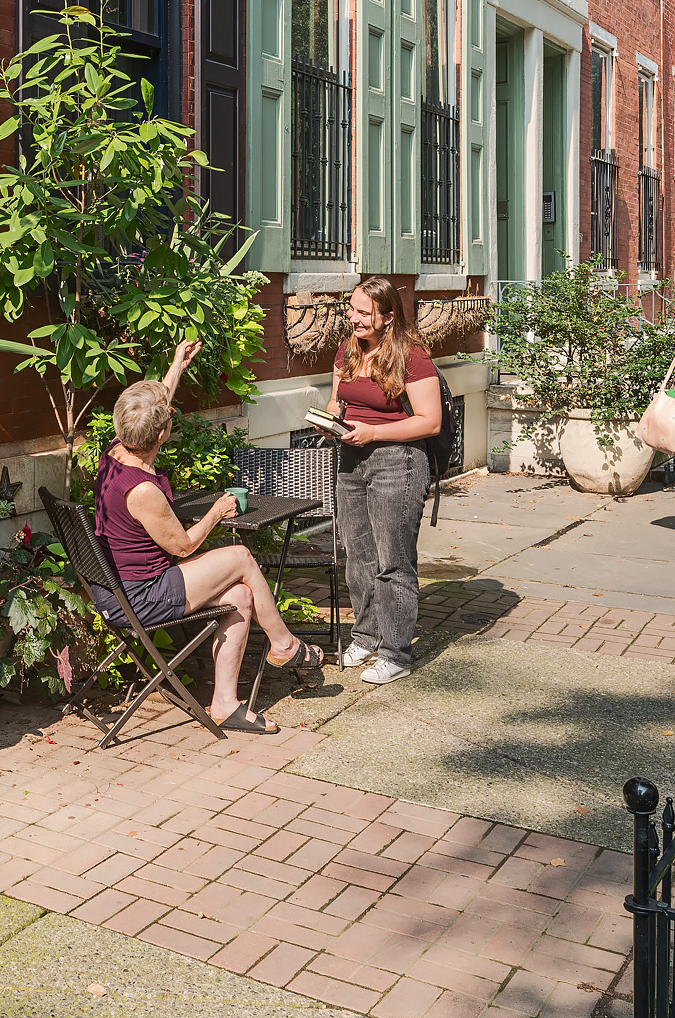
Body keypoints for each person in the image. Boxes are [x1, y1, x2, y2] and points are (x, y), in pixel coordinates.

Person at [94, 338, 324, 734]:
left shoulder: (117, 450)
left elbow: (150, 410)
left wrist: (177, 364)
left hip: (115, 587)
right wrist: (217, 511)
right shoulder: (141, 490)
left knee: (240, 594)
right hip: (140, 596)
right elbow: (183, 546)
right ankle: (284, 645)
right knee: (240, 557)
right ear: (163, 435)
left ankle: (225, 704)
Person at [326, 278, 442, 685]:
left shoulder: (412, 358)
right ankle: (366, 635)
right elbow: (336, 401)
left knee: (393, 560)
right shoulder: (347, 349)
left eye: (364, 312)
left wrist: (373, 432)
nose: (353, 318)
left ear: (388, 317)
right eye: (352, 309)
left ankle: (396, 652)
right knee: (358, 557)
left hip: (398, 462)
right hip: (351, 459)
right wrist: (330, 422)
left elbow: (430, 421)